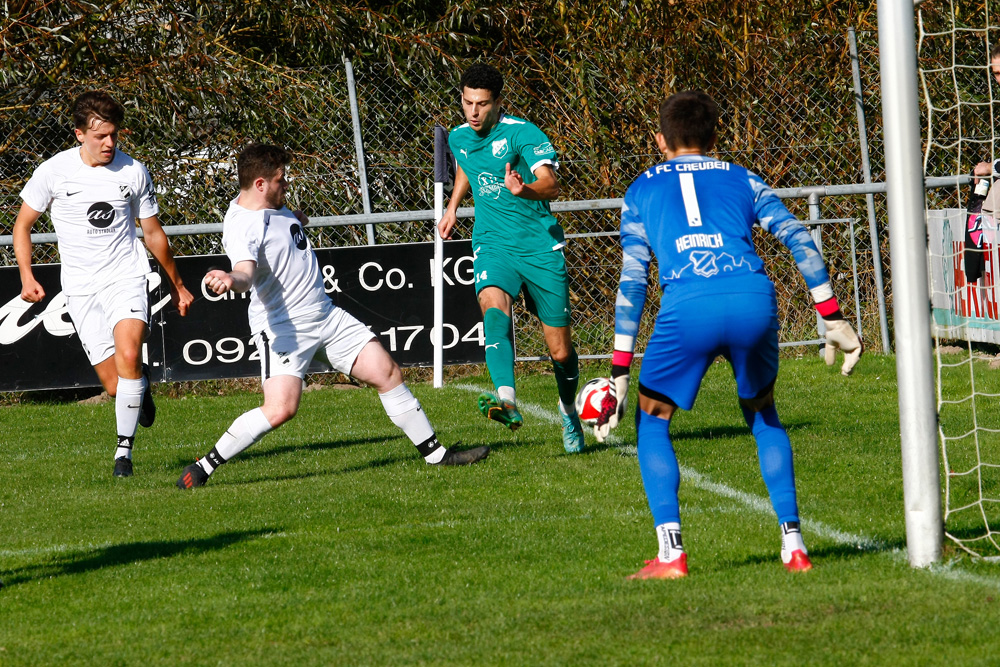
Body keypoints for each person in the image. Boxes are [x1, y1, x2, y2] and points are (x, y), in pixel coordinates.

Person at [596, 91, 863, 579]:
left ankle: (672, 554)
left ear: (660, 140)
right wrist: (831, 314)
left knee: (652, 421)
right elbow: (798, 237)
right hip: (750, 300)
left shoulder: (639, 190)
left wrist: (618, 370)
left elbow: (632, 280)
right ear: (716, 138)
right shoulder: (742, 176)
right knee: (763, 414)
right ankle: (794, 545)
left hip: (689, 305)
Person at [176, 144, 489, 489]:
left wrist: (295, 220)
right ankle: (205, 465)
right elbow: (245, 274)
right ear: (261, 184)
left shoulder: (273, 206)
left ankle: (437, 455)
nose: (287, 185)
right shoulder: (242, 226)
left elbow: (282, 233)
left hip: (325, 315)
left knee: (386, 372)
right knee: (281, 409)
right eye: (282, 180)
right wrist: (229, 280)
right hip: (284, 328)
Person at [13, 90, 194, 478]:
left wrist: (177, 284)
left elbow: (153, 233)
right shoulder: (53, 171)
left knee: (129, 355)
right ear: (80, 134)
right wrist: (26, 276)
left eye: (114, 135)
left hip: (126, 277)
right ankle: (140, 388)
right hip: (80, 289)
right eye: (100, 136)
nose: (110, 143)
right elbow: (23, 226)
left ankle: (122, 456)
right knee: (115, 386)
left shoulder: (133, 171)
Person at [437, 63, 586, 453]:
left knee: (561, 351)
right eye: (467, 102)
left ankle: (569, 412)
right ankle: (507, 401)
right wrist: (454, 206)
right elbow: (468, 169)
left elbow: (552, 184)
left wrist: (524, 191)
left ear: (498, 103)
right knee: (492, 308)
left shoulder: (523, 133)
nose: (473, 112)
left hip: (538, 247)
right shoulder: (458, 137)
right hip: (492, 242)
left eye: (482, 105)